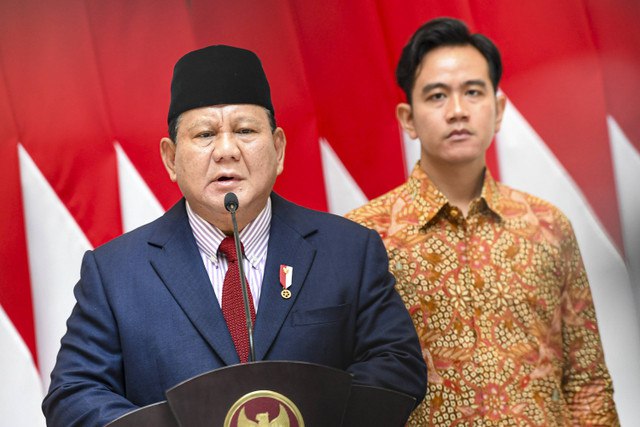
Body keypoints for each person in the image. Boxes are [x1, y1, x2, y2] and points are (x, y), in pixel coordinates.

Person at [42, 45, 426, 426]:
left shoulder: (348, 252)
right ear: (171, 159)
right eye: (205, 134)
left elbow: (398, 366)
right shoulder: (114, 273)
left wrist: (305, 412)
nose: (227, 150)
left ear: (278, 149)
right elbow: (73, 394)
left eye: (245, 131)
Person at [346, 17, 619, 426]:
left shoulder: (547, 226)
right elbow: (348, 389)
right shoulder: (363, 237)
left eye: (473, 92)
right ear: (408, 118)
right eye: (437, 96)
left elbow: (587, 381)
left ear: (499, 108)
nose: (457, 111)